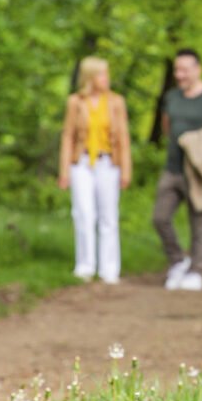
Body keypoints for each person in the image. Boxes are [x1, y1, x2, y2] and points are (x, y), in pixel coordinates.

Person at [155, 48, 202, 291]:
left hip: (197, 173)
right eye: (177, 70)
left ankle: (196, 271)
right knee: (160, 218)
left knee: (198, 223)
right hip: (172, 168)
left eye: (185, 70)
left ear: (198, 70)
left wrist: (196, 142)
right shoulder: (172, 97)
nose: (180, 74)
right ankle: (178, 261)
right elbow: (167, 127)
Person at [58, 56, 133, 283]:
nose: (106, 78)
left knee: (108, 216)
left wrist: (126, 170)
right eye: (101, 74)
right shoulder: (75, 102)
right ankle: (85, 266)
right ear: (90, 77)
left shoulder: (116, 102)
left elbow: (123, 138)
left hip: (108, 163)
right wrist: (64, 171)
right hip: (81, 163)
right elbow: (68, 136)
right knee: (83, 213)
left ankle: (109, 269)